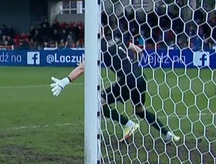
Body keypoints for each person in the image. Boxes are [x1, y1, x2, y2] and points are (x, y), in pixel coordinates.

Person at [50, 24, 181, 143]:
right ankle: (168, 134)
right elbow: (138, 50)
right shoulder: (115, 38)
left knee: (97, 102)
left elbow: (82, 68)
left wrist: (64, 81)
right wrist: (130, 64)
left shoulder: (98, 47)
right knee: (140, 111)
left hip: (128, 81)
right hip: (140, 78)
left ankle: (128, 124)